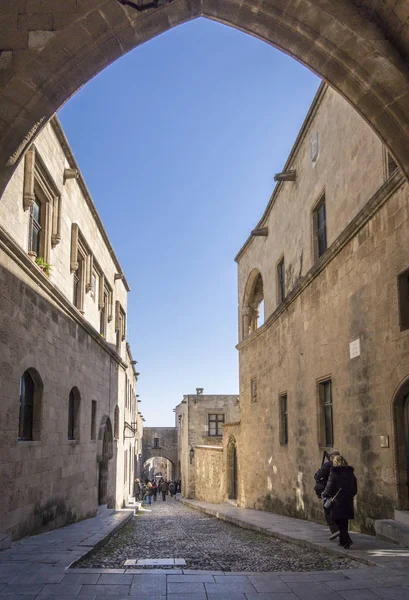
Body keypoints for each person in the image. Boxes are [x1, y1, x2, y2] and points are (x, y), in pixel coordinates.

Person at [322, 455, 357, 549]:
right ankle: (343, 541)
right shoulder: (350, 473)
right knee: (344, 521)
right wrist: (350, 495)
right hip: (348, 500)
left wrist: (324, 494)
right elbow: (354, 488)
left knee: (337, 520)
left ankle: (346, 540)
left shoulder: (334, 473)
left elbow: (329, 486)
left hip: (336, 500)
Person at [314, 450, 340, 539]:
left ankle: (335, 530)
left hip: (329, 492)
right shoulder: (345, 466)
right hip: (341, 492)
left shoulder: (328, 466)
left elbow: (317, 476)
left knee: (327, 509)